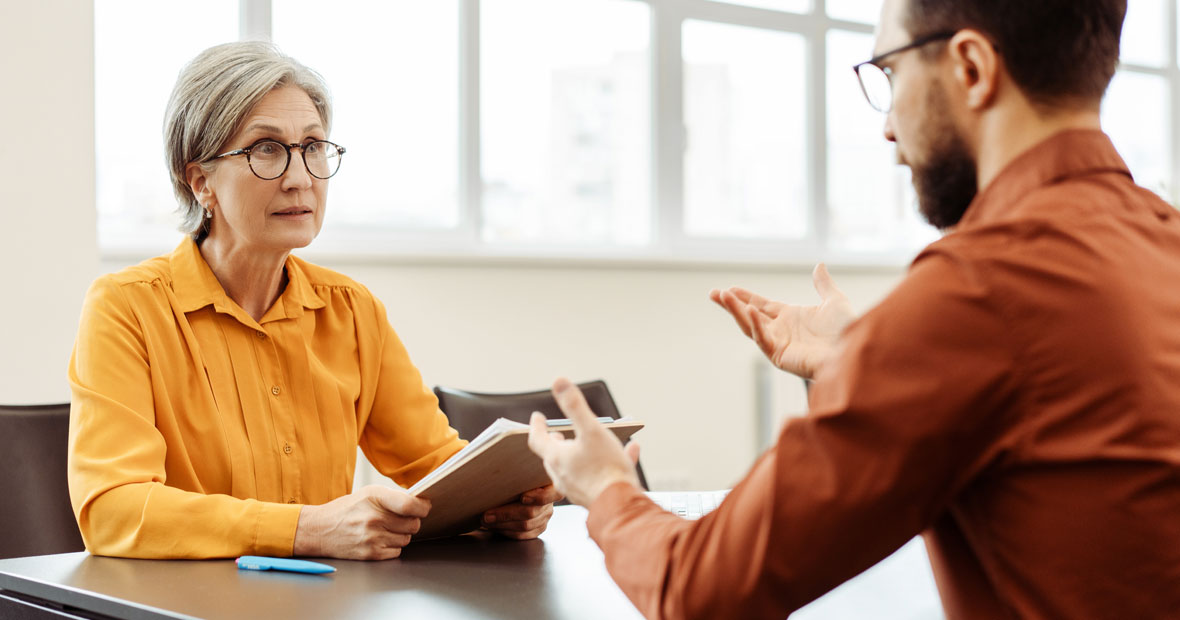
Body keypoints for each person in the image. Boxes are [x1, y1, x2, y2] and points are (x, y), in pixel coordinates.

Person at [529, 0, 1180, 617]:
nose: (889, 125)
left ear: (971, 68)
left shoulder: (979, 293)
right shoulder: (1163, 240)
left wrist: (607, 488)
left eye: (890, 72)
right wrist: (865, 356)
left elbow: (699, 590)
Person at [68, 41, 559, 560]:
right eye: (266, 149)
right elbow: (112, 511)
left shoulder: (351, 310)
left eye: (313, 147)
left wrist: (505, 502)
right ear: (200, 180)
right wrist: (305, 529)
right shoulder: (125, 308)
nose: (300, 178)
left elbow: (435, 467)